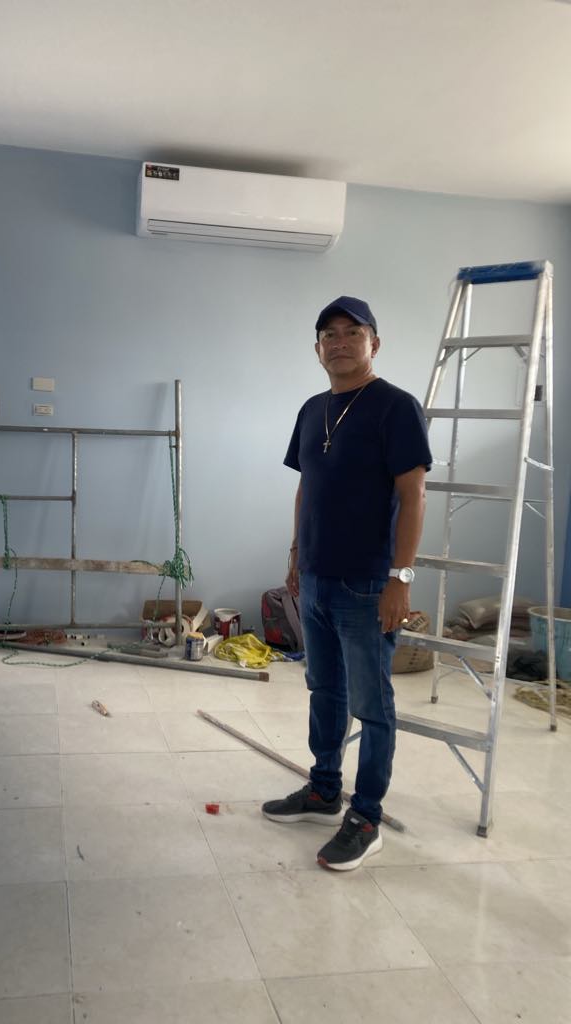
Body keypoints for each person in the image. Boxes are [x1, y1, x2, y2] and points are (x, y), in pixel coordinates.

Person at [262, 295, 432, 871]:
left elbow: (413, 495)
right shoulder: (312, 410)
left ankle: (366, 817)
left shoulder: (396, 407)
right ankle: (324, 790)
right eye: (328, 335)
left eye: (351, 333)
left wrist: (400, 577)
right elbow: (306, 486)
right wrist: (296, 553)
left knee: (371, 704)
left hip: (367, 584)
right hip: (314, 577)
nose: (339, 342)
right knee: (324, 690)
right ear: (317, 349)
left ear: (373, 343)